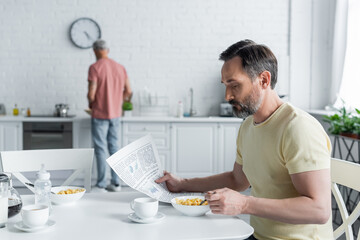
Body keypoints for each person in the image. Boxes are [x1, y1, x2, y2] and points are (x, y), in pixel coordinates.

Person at [156, 39, 333, 239]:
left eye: (234, 85)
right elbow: (237, 179)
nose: (227, 96)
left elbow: (319, 209)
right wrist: (182, 184)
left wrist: (244, 203)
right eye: (225, 85)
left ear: (264, 80)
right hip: (256, 235)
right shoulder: (248, 126)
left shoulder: (297, 128)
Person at [87, 39, 132, 192]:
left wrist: (91, 104)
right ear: (108, 50)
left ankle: (101, 185)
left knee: (100, 148)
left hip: (100, 113)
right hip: (115, 114)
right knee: (114, 147)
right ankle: (116, 183)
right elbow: (129, 91)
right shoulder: (120, 67)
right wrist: (118, 101)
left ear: (94, 51)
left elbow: (91, 94)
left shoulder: (94, 68)